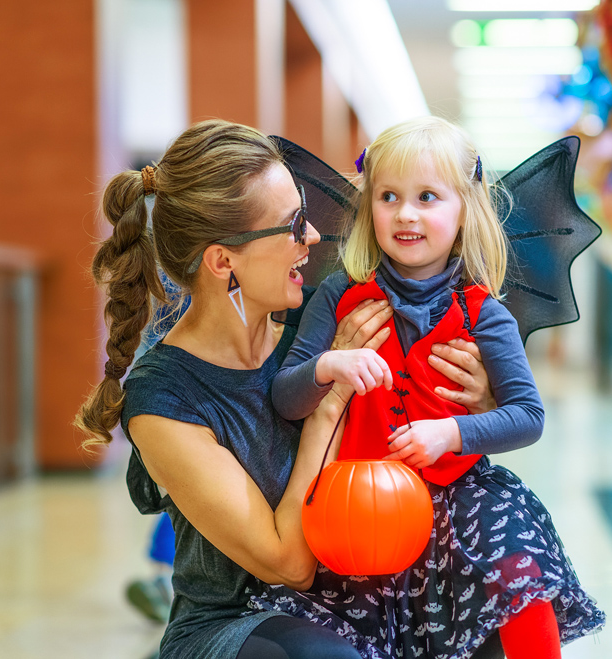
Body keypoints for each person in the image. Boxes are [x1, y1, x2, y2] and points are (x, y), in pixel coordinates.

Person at [74, 119, 496, 659]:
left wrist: (471, 401)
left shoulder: (320, 321)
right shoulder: (163, 400)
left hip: (368, 592)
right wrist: (327, 407)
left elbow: (425, 439)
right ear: (224, 261)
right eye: (293, 225)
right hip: (240, 621)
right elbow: (289, 565)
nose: (314, 237)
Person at [264, 116, 605, 659]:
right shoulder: (337, 295)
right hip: (357, 501)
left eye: (427, 197)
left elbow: (527, 415)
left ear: (464, 209)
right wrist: (328, 366)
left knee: (520, 569)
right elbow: (285, 394)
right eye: (389, 196)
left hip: (461, 497)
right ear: (368, 206)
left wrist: (451, 432)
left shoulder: (483, 315)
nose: (405, 213)